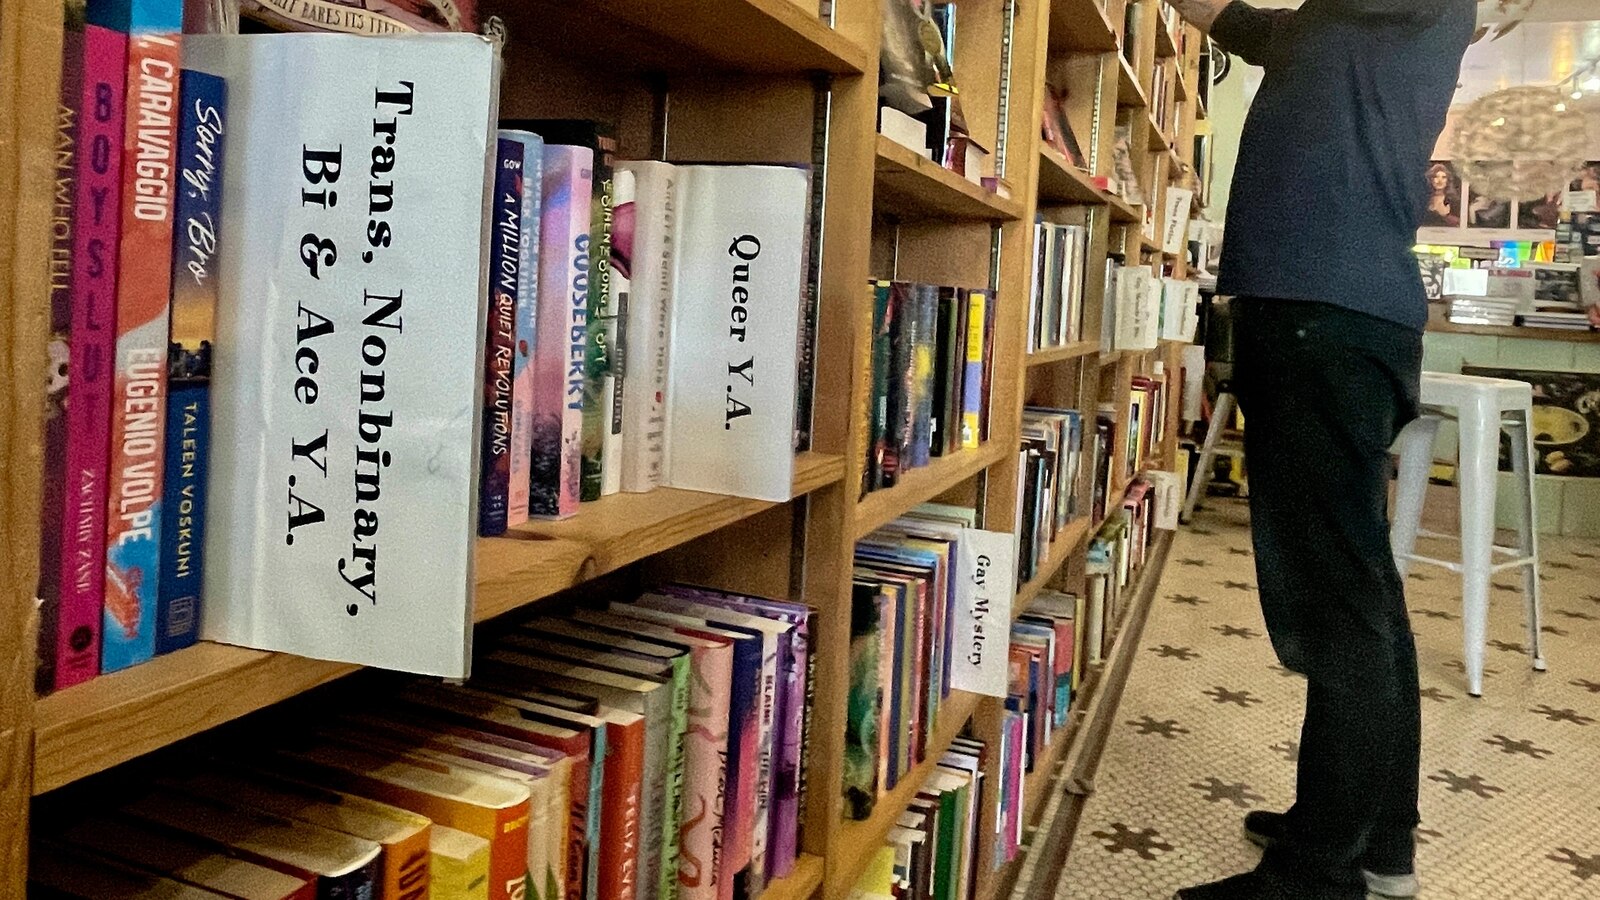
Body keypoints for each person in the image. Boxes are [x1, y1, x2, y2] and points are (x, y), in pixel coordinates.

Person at [1156, 2, 1476, 900]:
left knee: (1338, 606)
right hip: (1321, 313)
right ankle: (1374, 841)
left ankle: (1318, 876)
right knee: (1359, 593)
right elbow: (1244, 23)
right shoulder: (1337, 31)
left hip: (1324, 314)